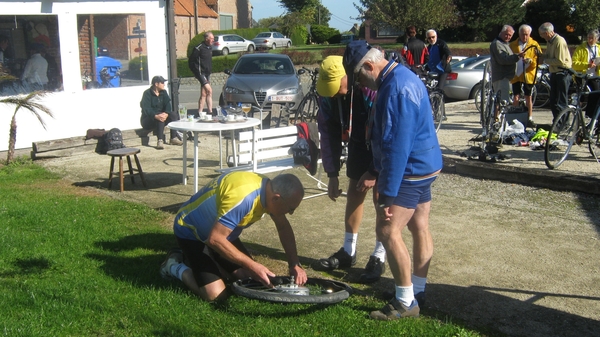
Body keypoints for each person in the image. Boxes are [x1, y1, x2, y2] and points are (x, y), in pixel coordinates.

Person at [344, 41, 443, 320]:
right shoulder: (400, 77)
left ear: (368, 66)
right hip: (425, 166)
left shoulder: (396, 89)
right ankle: (417, 292)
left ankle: (405, 302)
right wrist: (375, 171)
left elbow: (396, 146)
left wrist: (387, 195)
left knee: (387, 231)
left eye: (359, 78)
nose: (361, 84)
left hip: (410, 169)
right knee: (419, 226)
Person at [159, 172, 307, 302]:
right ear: (276, 198)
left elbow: (283, 227)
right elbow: (215, 239)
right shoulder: (244, 198)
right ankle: (173, 266)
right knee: (215, 294)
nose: (291, 213)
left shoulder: (268, 190)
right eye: (291, 209)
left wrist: (294, 263)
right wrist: (252, 264)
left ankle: (212, 260)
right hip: (191, 232)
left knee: (248, 278)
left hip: (222, 234)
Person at [314, 53, 386, 283]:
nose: (333, 93)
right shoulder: (328, 98)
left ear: (347, 76)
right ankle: (349, 250)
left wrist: (375, 170)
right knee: (354, 193)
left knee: (381, 199)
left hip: (382, 146)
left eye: (335, 87)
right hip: (358, 145)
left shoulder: (368, 89)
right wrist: (332, 174)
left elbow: (386, 132)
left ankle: (379, 255)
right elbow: (328, 135)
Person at [538, 22, 572, 122]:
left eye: (542, 34)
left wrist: (544, 61)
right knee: (553, 100)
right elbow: (549, 57)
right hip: (554, 73)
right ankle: (556, 121)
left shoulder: (559, 41)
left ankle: (563, 123)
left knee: (561, 101)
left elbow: (560, 61)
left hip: (562, 73)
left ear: (548, 32)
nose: (542, 37)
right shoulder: (550, 42)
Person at [509, 24, 541, 128]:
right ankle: (514, 118)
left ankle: (529, 117)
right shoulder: (513, 44)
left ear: (530, 34)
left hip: (529, 74)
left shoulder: (534, 44)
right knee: (516, 95)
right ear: (519, 34)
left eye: (526, 34)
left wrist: (531, 62)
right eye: (523, 34)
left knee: (528, 96)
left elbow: (539, 58)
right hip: (517, 73)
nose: (524, 37)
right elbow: (509, 56)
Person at [140, 75, 183, 149]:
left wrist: (166, 113)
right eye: (162, 82)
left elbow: (168, 105)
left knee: (174, 115)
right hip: (148, 119)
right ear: (156, 84)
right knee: (159, 117)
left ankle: (173, 138)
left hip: (161, 116)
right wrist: (155, 115)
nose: (164, 84)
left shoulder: (164, 92)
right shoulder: (147, 93)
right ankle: (160, 140)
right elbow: (146, 109)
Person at [490, 25, 522, 104]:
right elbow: (503, 60)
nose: (508, 37)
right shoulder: (498, 44)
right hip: (501, 77)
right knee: (502, 102)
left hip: (505, 77)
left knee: (501, 102)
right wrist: (517, 56)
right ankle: (497, 116)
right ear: (501, 32)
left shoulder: (504, 43)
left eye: (510, 35)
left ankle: (497, 116)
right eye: (506, 34)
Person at [189, 32, 214, 115]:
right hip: (201, 73)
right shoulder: (198, 48)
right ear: (206, 39)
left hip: (207, 73)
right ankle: (210, 112)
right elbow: (191, 61)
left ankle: (200, 112)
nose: (213, 40)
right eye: (211, 38)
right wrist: (196, 72)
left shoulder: (210, 48)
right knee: (209, 90)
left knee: (204, 94)